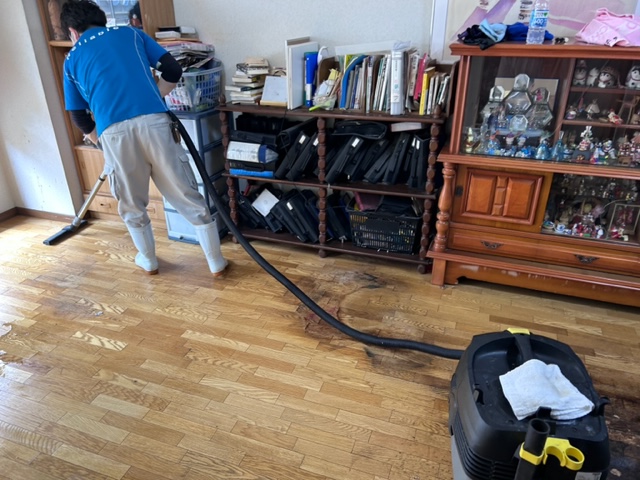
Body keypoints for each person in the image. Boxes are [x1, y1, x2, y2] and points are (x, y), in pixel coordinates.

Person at [60, 0, 227, 277]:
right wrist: (153, 97)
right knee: (184, 191)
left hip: (113, 132)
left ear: (72, 32)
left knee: (131, 201)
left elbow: (78, 115)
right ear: (101, 20)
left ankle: (149, 260)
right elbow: (173, 70)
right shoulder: (131, 33)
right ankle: (215, 261)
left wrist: (100, 142)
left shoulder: (71, 59)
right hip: (155, 123)